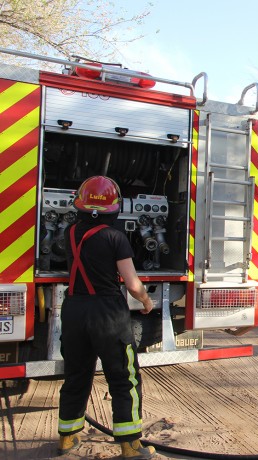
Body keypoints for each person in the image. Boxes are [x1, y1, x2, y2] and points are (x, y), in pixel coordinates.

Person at [57, 176, 156, 459]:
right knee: (124, 378)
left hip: (75, 310)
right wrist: (146, 301)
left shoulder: (70, 233)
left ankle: (66, 439)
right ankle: (130, 446)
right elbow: (133, 284)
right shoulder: (116, 237)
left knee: (75, 375)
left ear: (81, 204)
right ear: (114, 208)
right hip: (107, 314)